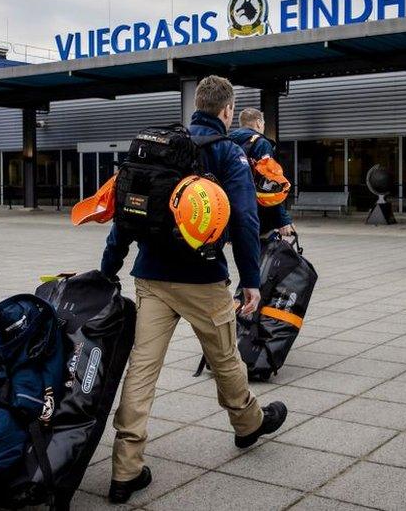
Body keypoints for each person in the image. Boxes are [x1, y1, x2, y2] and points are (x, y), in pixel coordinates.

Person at [100, 76, 288, 504]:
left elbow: (126, 216)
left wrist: (108, 270)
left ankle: (124, 470)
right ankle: (248, 424)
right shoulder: (226, 152)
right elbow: (244, 220)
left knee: (142, 372)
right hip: (203, 281)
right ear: (227, 112)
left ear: (196, 107)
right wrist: (252, 281)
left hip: (150, 278)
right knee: (225, 360)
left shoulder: (162, 147)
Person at [229, 108, 295, 238]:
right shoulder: (261, 144)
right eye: (263, 124)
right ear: (259, 123)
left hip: (233, 212)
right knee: (260, 254)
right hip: (257, 215)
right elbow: (269, 186)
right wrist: (283, 220)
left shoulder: (228, 143)